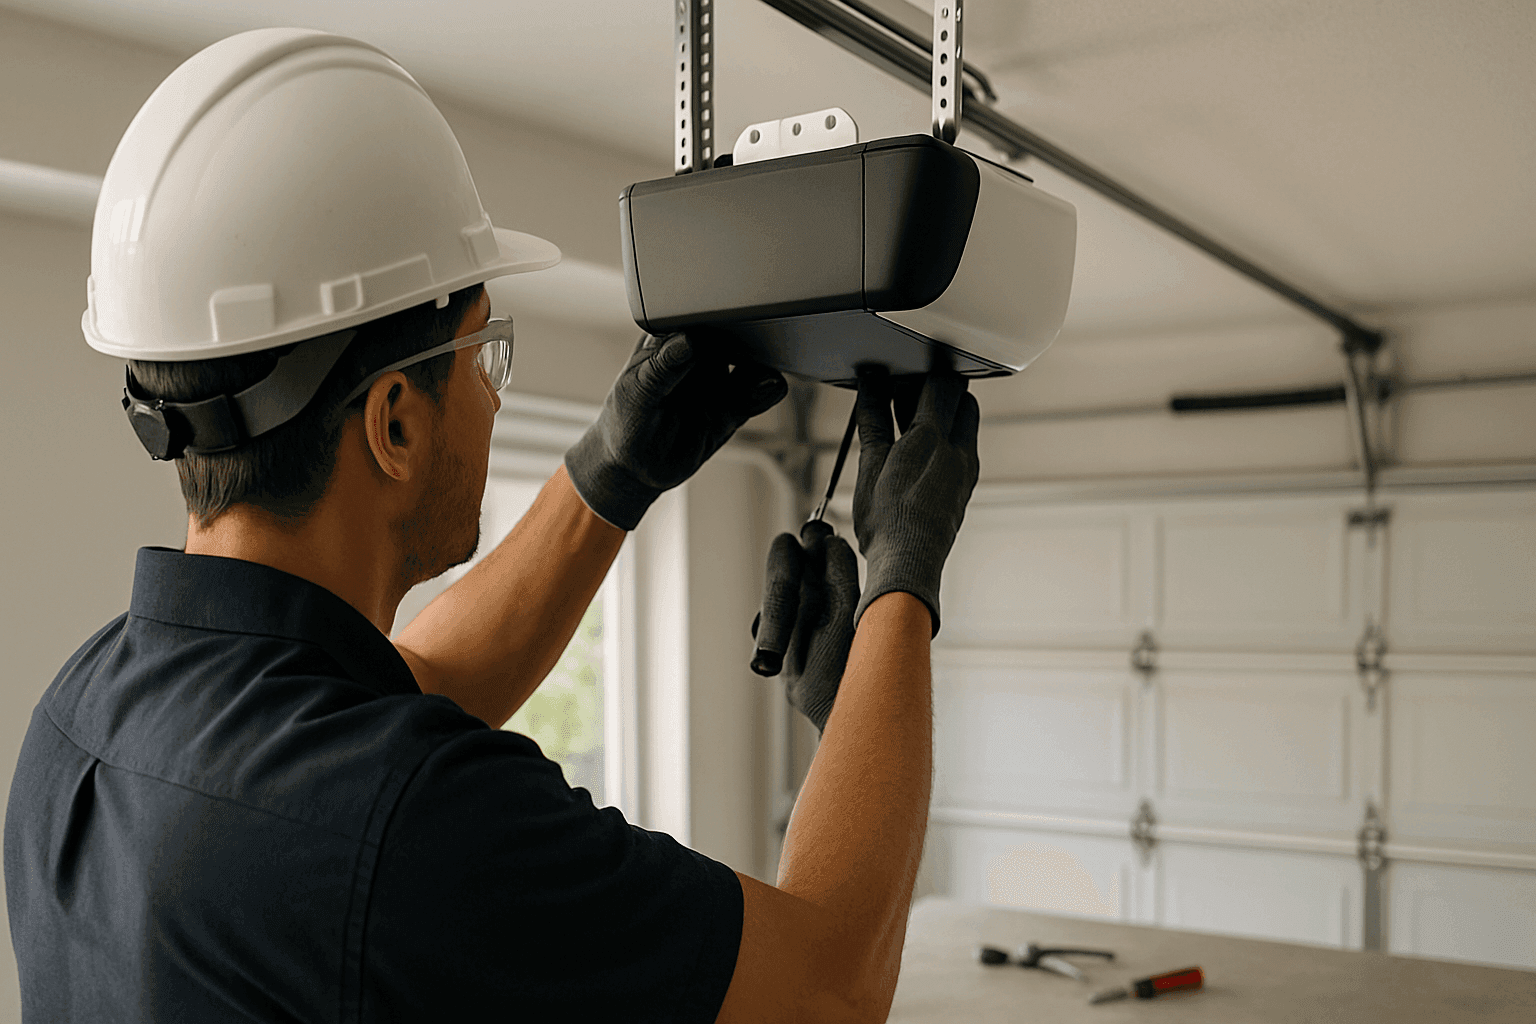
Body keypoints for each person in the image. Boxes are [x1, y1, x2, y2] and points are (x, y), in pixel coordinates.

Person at [4, 27, 980, 1023]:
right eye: (485, 353)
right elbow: (833, 982)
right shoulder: (409, 825)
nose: (495, 394)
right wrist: (902, 582)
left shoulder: (82, 712)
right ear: (394, 422)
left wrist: (612, 471)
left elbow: (410, 690)